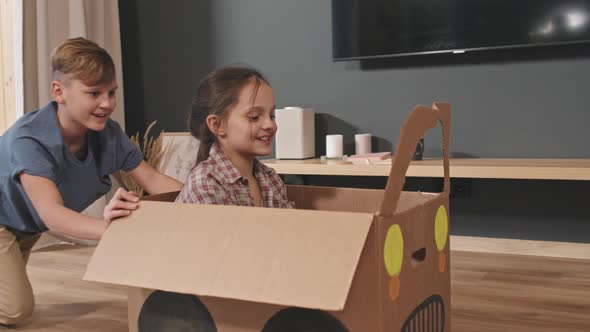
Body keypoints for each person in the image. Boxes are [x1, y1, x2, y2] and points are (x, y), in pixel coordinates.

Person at [0, 37, 183, 325]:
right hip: (4, 224)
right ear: (59, 92)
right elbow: (54, 216)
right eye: (94, 93)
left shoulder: (108, 135)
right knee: (15, 310)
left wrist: (206, 205)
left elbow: (153, 179)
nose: (107, 103)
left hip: (24, 228)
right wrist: (116, 231)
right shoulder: (31, 140)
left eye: (112, 92)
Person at [175, 67, 293, 208]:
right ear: (218, 125)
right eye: (254, 117)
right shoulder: (206, 182)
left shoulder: (270, 179)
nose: (270, 124)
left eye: (272, 115)